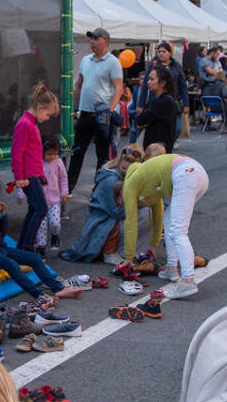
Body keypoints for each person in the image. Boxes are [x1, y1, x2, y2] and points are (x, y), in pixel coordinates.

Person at [0, 172, 68, 302]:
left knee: (34, 258)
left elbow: (1, 234)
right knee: (10, 264)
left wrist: (3, 217)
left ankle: (57, 288)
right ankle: (38, 294)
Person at [122, 153, 209, 299]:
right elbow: (159, 217)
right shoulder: (148, 178)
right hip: (199, 174)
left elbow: (130, 221)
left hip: (186, 174)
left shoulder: (130, 185)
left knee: (178, 231)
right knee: (169, 219)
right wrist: (153, 244)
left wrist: (129, 256)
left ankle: (187, 281)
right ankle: (171, 268)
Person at [60, 145, 144, 264]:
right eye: (124, 168)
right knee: (115, 223)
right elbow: (115, 211)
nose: (125, 171)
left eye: (130, 169)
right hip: (102, 215)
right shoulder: (111, 180)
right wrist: (137, 206)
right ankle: (109, 252)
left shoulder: (118, 174)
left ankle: (120, 250)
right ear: (120, 161)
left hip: (107, 211)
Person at [68, 28, 124, 189]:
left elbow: (119, 89)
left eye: (95, 38)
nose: (91, 41)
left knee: (102, 154)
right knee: (77, 151)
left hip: (102, 114)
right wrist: (74, 109)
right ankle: (68, 187)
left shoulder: (113, 62)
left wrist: (109, 111)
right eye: (91, 38)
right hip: (85, 112)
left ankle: (98, 189)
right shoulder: (85, 60)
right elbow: (78, 85)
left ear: (105, 40)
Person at [10, 84, 59, 252]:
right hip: (28, 176)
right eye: (47, 114)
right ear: (39, 108)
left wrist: (41, 175)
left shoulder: (31, 124)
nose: (47, 118)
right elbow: (17, 152)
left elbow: (34, 154)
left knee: (35, 209)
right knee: (41, 208)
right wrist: (19, 176)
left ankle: (23, 246)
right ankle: (27, 246)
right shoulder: (25, 124)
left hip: (32, 175)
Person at [18, 137, 68, 257]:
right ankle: (41, 249)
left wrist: (64, 193)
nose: (52, 157)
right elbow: (27, 179)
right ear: (41, 152)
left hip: (54, 201)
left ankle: (55, 235)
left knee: (55, 223)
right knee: (41, 225)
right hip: (39, 201)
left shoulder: (58, 162)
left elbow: (63, 178)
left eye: (55, 154)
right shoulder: (36, 163)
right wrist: (21, 194)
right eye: (49, 154)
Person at [137, 41, 189, 138]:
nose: (161, 54)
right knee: (158, 127)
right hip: (156, 101)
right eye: (159, 51)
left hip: (174, 101)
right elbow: (145, 84)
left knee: (177, 128)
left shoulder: (176, 65)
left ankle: (169, 143)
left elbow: (183, 84)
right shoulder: (154, 64)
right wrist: (141, 104)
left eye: (163, 51)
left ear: (169, 53)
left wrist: (186, 104)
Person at [135, 65, 177, 152]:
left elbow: (142, 119)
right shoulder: (158, 99)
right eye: (148, 79)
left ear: (162, 83)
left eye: (152, 79)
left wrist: (142, 121)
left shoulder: (164, 101)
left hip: (159, 150)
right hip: (155, 148)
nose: (148, 82)